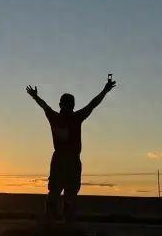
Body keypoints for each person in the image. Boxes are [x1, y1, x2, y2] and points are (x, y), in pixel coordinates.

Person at [25, 77, 116, 224]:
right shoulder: (73, 117)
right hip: (67, 160)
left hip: (65, 160)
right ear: (71, 105)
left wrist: (35, 96)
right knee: (64, 193)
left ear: (61, 104)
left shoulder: (59, 117)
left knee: (63, 193)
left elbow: (45, 106)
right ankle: (59, 221)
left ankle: (56, 221)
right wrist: (105, 90)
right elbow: (92, 104)